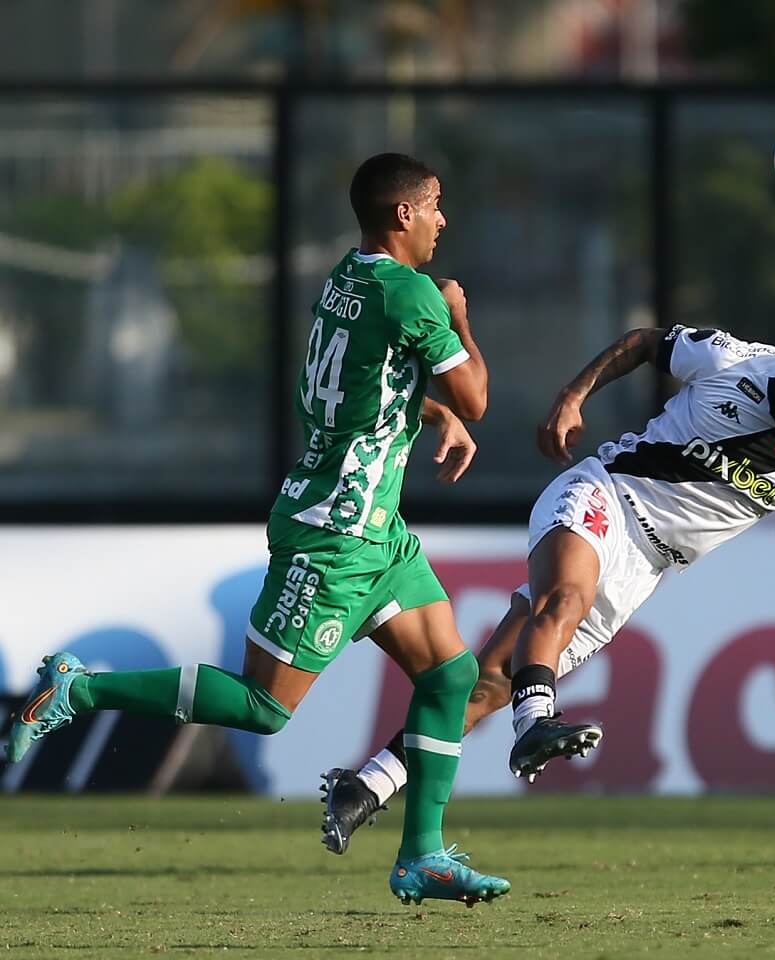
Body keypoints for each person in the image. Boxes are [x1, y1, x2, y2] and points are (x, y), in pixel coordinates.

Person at [5, 152, 510, 907]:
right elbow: (474, 396)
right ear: (402, 214)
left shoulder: (346, 280)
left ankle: (423, 857)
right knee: (263, 707)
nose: (444, 218)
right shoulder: (416, 296)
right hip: (335, 534)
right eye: (436, 204)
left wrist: (422, 412)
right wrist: (459, 314)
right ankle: (81, 689)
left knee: (451, 675)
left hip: (378, 533)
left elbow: (344, 390)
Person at [319, 322, 775, 854]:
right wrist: (573, 396)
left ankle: (368, 784)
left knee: (487, 685)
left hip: (647, 566)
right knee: (565, 599)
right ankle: (537, 720)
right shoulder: (733, 360)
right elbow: (644, 343)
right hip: (606, 496)